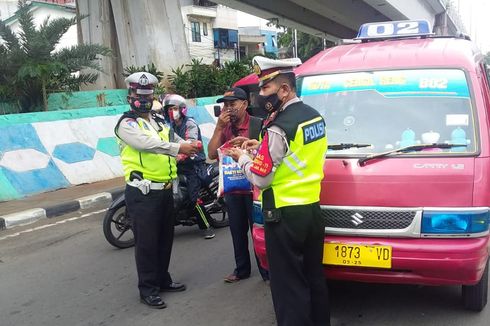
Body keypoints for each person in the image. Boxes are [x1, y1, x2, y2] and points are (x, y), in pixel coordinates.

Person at [226, 56, 330, 326]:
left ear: (284, 90)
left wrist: (242, 158)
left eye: (265, 89)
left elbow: (261, 178)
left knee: (288, 287)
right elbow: (296, 154)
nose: (260, 96)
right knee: (313, 278)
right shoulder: (313, 116)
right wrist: (256, 143)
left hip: (284, 216)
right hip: (311, 210)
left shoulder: (278, 127)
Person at [114, 72, 199, 309]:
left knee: (164, 239)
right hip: (143, 193)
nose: (143, 99)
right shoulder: (126, 124)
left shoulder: (160, 121)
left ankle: (163, 280)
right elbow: (148, 144)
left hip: (165, 190)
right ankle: (148, 289)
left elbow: (176, 137)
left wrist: (190, 144)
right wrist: (178, 147)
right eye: (138, 95)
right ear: (129, 96)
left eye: (148, 95)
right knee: (147, 243)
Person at [207, 87, 269, 283]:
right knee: (237, 230)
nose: (228, 109)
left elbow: (267, 152)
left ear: (245, 104)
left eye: (232, 104)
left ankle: (266, 271)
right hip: (233, 189)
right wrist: (218, 128)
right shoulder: (224, 128)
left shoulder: (258, 124)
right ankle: (241, 269)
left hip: (254, 188)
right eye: (225, 105)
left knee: (258, 231)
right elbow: (211, 154)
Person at [163, 94, 215, 239]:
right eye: (169, 109)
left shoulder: (189, 124)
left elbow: (191, 145)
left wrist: (179, 157)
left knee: (194, 198)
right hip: (181, 165)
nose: (171, 112)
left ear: (182, 109)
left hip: (194, 164)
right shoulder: (172, 126)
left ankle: (206, 227)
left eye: (174, 108)